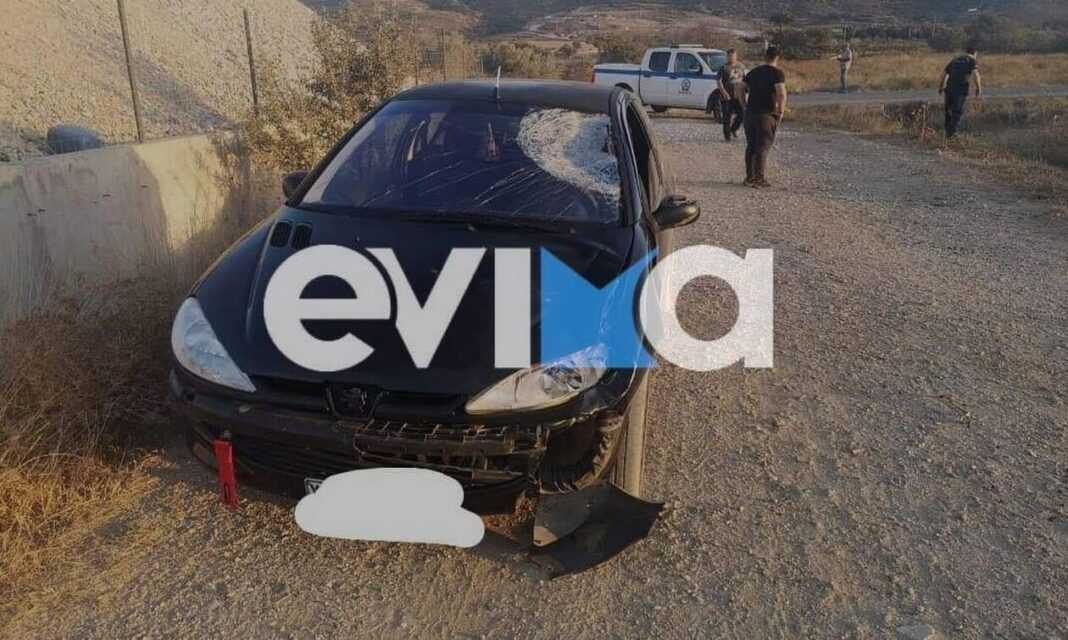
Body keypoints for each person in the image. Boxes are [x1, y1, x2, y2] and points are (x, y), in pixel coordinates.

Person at [741, 45, 787, 188]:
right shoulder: (777, 74)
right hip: (766, 114)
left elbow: (739, 88)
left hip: (750, 114)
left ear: (765, 56)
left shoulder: (753, 72)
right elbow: (781, 94)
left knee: (751, 146)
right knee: (763, 146)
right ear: (777, 58)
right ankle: (759, 179)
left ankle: (749, 177)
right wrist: (780, 111)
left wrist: (744, 105)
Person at [939, 47, 983, 139]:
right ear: (975, 53)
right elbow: (975, 74)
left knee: (948, 111)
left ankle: (947, 133)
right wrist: (978, 88)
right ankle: (953, 134)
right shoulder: (972, 60)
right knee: (957, 111)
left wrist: (941, 87)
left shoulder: (955, 60)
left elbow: (944, 74)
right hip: (960, 89)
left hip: (949, 88)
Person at [718, 49, 748, 142]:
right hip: (727, 96)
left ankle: (734, 129)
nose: (731, 57)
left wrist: (747, 91)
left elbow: (746, 79)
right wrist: (724, 92)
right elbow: (719, 81)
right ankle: (727, 137)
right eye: (729, 56)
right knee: (727, 116)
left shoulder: (741, 66)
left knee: (742, 114)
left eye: (733, 56)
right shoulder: (723, 68)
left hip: (739, 95)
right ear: (727, 57)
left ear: (736, 56)